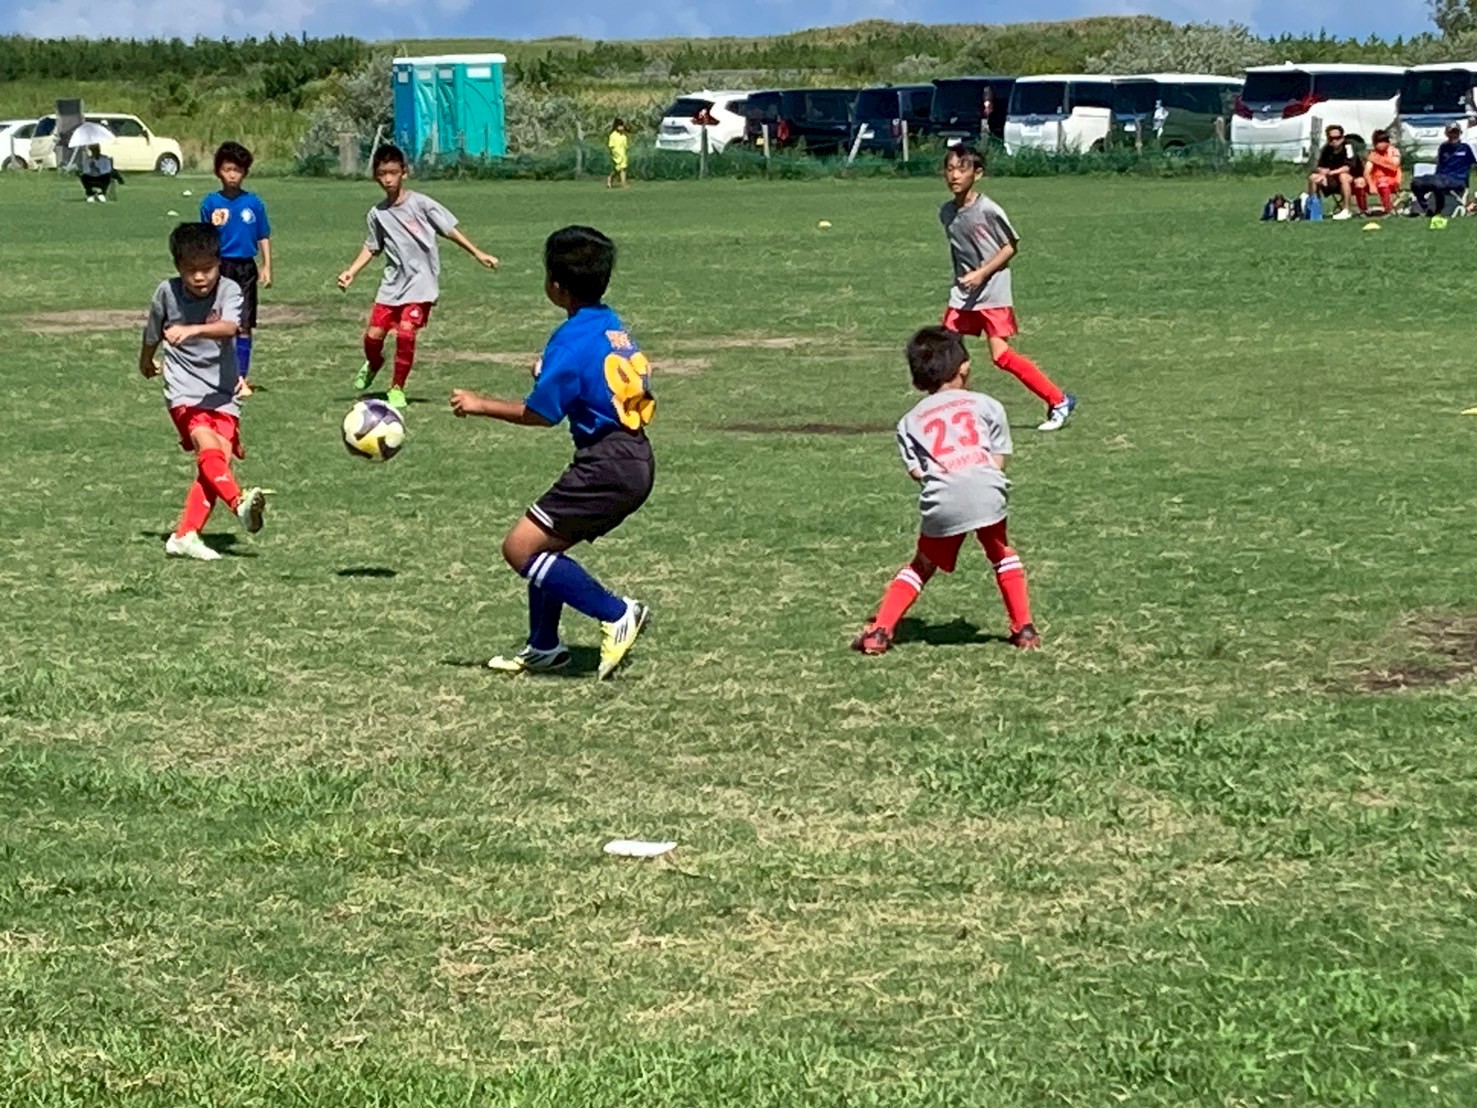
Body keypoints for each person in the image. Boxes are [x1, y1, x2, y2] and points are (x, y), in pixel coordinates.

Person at [449, 226, 654, 680]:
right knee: (545, 550)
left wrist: (479, 404)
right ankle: (544, 645)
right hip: (633, 456)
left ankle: (617, 612)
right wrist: (549, 372)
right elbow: (594, 377)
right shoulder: (610, 324)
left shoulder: (569, 339)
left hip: (606, 465)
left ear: (556, 287)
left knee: (519, 549)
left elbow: (541, 414)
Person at [852, 326, 1039, 655]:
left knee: (921, 566)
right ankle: (1024, 629)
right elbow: (998, 458)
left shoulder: (909, 421)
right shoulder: (988, 405)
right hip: (987, 488)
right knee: (1002, 554)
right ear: (964, 367)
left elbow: (918, 473)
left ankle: (879, 632)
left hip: (943, 496)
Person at [139, 222, 266, 562]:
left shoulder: (229, 289)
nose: (199, 277)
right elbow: (151, 331)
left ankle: (184, 535)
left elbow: (229, 327)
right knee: (207, 444)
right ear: (177, 266)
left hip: (224, 391)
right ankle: (238, 503)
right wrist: (145, 361)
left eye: (207, 269)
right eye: (190, 270)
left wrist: (191, 329)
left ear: (219, 262)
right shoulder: (166, 292)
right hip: (183, 390)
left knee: (217, 461)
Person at [337, 144, 499, 412]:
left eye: (393, 172)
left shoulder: (421, 204)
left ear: (404, 172)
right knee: (372, 337)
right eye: (382, 174)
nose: (388, 179)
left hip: (421, 285)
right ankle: (374, 362)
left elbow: (449, 230)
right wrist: (351, 271)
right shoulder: (377, 214)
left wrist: (478, 253)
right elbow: (372, 247)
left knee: (406, 332)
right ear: (375, 176)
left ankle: (397, 388)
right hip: (392, 286)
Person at [938, 144, 1076, 433]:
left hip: (992, 291)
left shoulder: (988, 209)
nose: (955, 176)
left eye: (962, 169)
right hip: (964, 293)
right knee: (948, 348)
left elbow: (1010, 246)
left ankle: (1059, 400)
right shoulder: (947, 212)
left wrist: (981, 273)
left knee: (1001, 356)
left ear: (978, 174)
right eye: (950, 169)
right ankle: (956, 412)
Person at [200, 141, 271, 398]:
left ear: (245, 172)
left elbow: (263, 235)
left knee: (244, 324)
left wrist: (267, 266)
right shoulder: (210, 203)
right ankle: (217, 375)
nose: (232, 175)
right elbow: (205, 239)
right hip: (220, 267)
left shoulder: (253, 203)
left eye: (238, 170)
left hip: (245, 268)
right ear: (218, 171)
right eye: (228, 169)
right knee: (218, 322)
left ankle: (241, 378)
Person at [1411, 123, 1477, 220]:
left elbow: (1473, 164)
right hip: (1441, 177)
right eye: (1451, 132)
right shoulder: (1443, 147)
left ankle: (1437, 210)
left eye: (1456, 132)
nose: (1453, 135)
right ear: (1446, 134)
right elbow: (1439, 164)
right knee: (1416, 182)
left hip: (1458, 180)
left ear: (1460, 133)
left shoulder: (1466, 148)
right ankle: (1425, 208)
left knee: (1437, 184)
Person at [1307, 124, 1368, 220]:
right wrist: (1322, 172)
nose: (1334, 141)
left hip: (1353, 180)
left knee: (1343, 176)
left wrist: (1330, 173)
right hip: (1333, 180)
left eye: (1337, 138)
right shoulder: (1327, 149)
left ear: (1342, 138)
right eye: (1331, 138)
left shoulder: (1348, 147)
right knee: (1313, 178)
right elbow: (1320, 166)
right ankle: (1314, 210)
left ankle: (1346, 210)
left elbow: (1347, 168)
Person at [1363, 130, 1402, 216]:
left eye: (1382, 142)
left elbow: (1394, 166)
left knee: (1382, 183)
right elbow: (1366, 172)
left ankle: (1388, 209)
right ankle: (1363, 210)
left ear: (1387, 142)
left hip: (1392, 180)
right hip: (1375, 181)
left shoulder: (1394, 151)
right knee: (1359, 182)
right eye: (1377, 143)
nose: (1379, 145)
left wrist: (1377, 160)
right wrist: (1371, 185)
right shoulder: (1373, 154)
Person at [607, 118, 629, 189]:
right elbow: (611, 146)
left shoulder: (624, 136)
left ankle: (623, 183)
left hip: (623, 154)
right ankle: (611, 178)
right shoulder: (613, 135)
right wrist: (615, 154)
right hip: (617, 155)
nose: (621, 127)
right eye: (620, 126)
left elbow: (625, 146)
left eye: (622, 126)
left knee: (623, 169)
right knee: (618, 169)